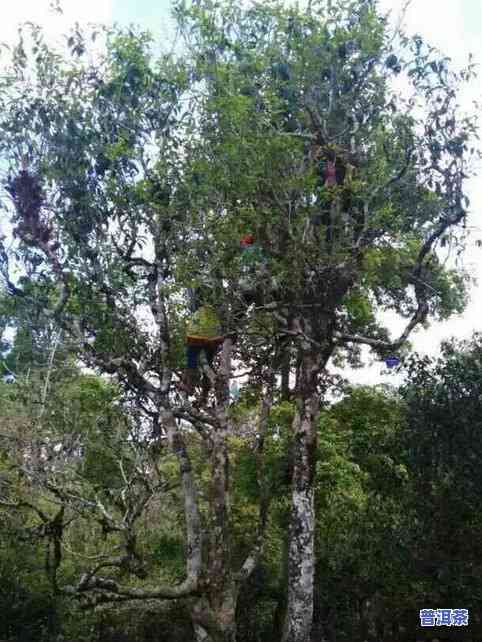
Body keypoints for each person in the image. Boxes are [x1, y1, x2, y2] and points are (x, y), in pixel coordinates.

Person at [183, 304, 224, 395]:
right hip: (214, 332)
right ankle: (205, 389)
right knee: (208, 361)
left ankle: (192, 385)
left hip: (201, 330)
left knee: (192, 355)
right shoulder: (218, 304)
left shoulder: (200, 303)